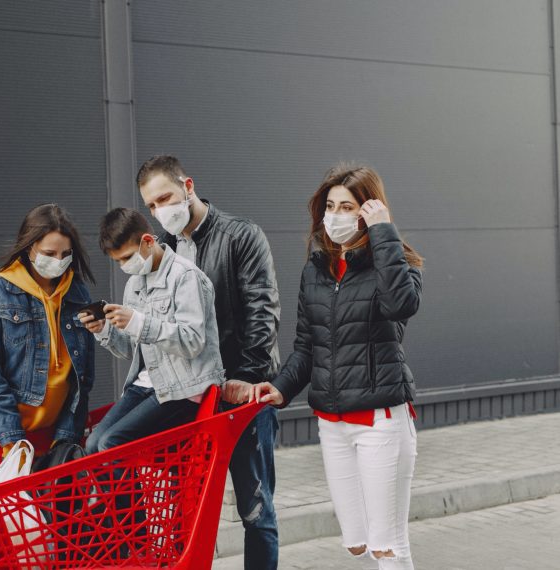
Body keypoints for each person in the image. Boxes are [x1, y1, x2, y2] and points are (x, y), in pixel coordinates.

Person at [245, 163, 423, 570]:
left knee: (389, 545)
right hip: (332, 423)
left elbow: (401, 306)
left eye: (348, 206)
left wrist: (383, 234)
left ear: (368, 211)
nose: (336, 214)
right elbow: (307, 345)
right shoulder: (317, 271)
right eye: (331, 205)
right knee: (358, 544)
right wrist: (281, 387)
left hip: (380, 421)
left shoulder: (397, 264)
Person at [137, 155, 282, 569]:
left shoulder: (240, 236)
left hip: (240, 398)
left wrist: (247, 377)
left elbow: (262, 310)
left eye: (164, 197)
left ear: (188, 185)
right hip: (190, 401)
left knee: (256, 511)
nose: (160, 210)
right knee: (188, 515)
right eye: (150, 206)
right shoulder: (163, 250)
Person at [81, 208, 224, 453]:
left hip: (184, 388)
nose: (124, 266)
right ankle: (126, 493)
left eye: (126, 258)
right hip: (147, 385)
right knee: (94, 443)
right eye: (118, 261)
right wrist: (104, 330)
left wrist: (139, 322)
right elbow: (132, 350)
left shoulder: (185, 276)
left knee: (111, 443)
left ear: (147, 241)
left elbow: (193, 341)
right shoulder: (134, 284)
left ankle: (132, 494)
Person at [0, 203, 96, 454]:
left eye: (65, 254)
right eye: (50, 253)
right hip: (4, 436)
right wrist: (12, 440)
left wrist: (66, 436)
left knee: (60, 495)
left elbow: (82, 377)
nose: (58, 262)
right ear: (30, 248)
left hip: (56, 436)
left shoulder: (77, 293)